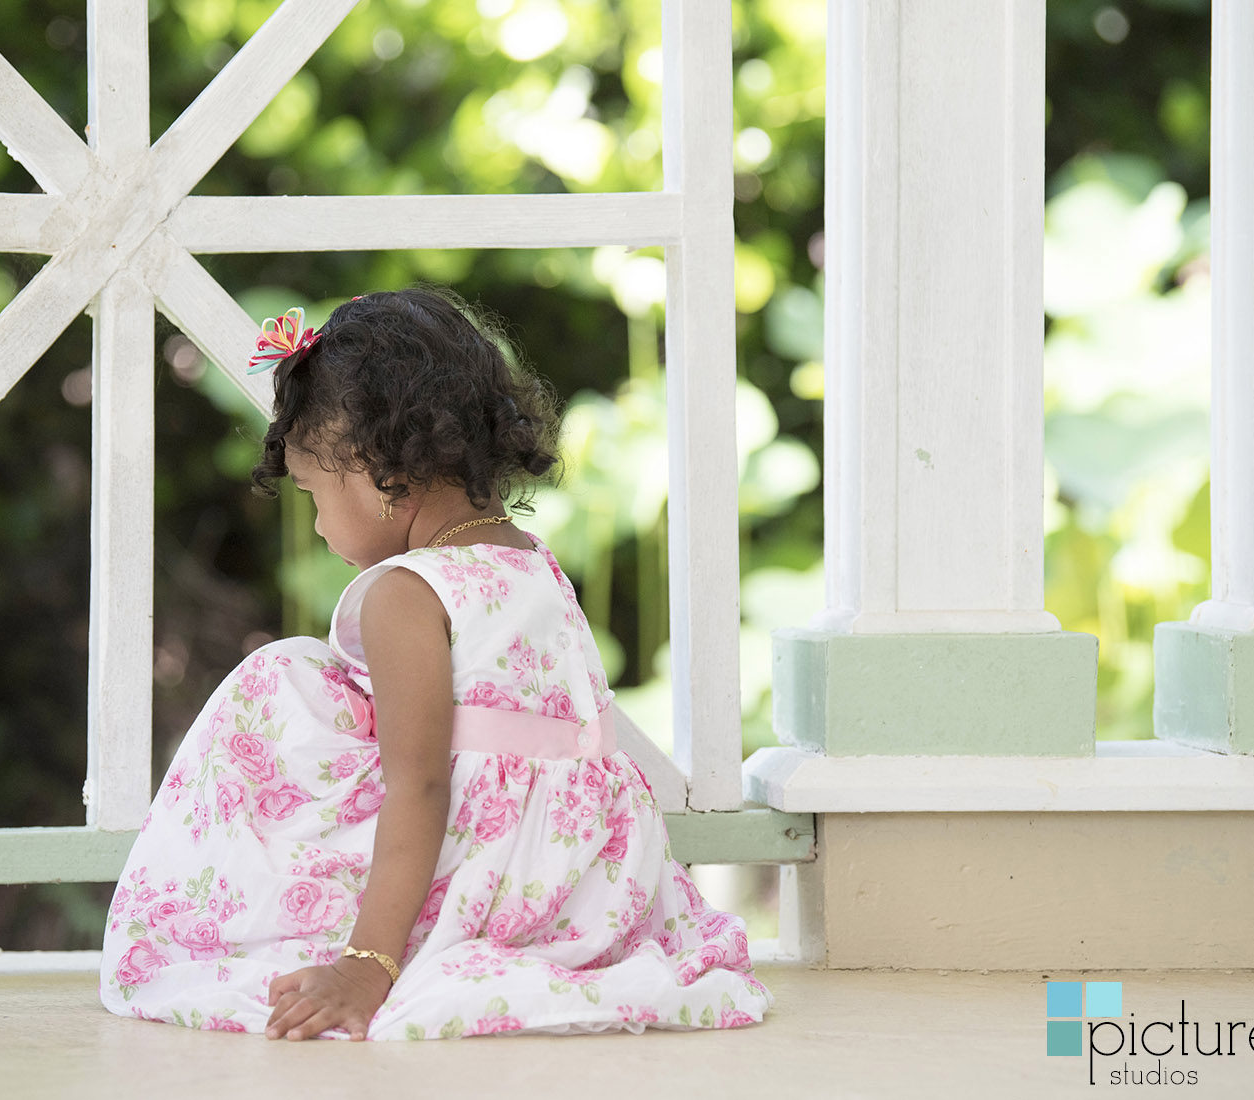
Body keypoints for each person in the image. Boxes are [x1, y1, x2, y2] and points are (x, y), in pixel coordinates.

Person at [98, 287, 775, 1041]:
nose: (319, 526)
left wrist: (366, 966)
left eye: (318, 494)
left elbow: (418, 785)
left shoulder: (406, 595)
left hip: (478, 868)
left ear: (380, 471)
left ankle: (255, 922)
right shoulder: (530, 563)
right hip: (581, 877)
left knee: (276, 677)